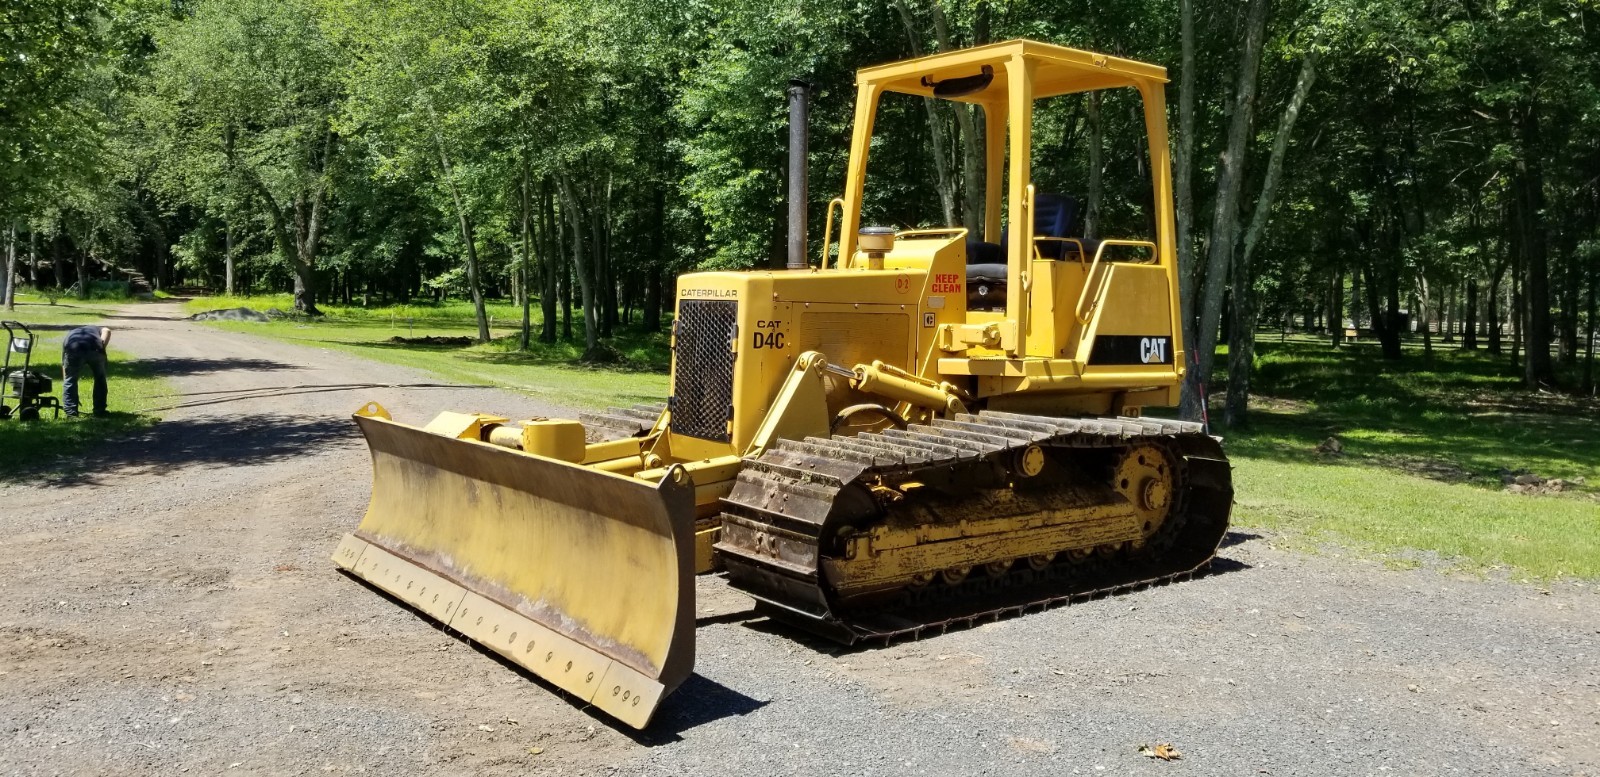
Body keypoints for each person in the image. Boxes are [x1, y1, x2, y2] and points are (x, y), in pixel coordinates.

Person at [61, 325, 112, 418]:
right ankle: (99, 411)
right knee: (100, 379)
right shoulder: (97, 329)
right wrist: (102, 347)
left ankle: (71, 412)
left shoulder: (70, 336)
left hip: (73, 349)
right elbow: (107, 331)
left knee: (70, 380)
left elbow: (65, 368)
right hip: (95, 348)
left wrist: (70, 394)